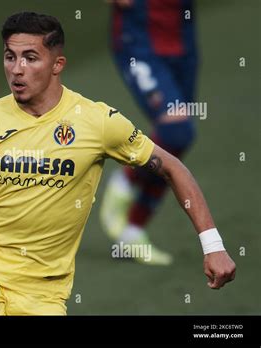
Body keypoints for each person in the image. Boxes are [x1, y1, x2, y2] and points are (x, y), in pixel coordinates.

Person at [0, 12, 235, 315]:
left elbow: (172, 167)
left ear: (57, 65)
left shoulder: (97, 122)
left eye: (30, 58)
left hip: (46, 289)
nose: (17, 69)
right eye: (10, 57)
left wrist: (213, 245)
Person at [100, 0, 199, 265]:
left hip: (182, 40)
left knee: (178, 137)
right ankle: (125, 181)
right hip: (140, 42)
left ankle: (132, 232)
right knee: (176, 129)